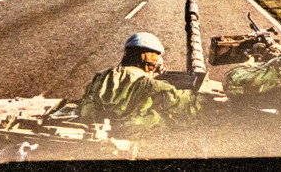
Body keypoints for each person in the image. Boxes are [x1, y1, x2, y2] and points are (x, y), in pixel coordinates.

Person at [79, 32, 209, 136]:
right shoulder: (151, 85)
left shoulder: (102, 76)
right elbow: (188, 105)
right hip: (133, 137)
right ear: (151, 62)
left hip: (97, 129)